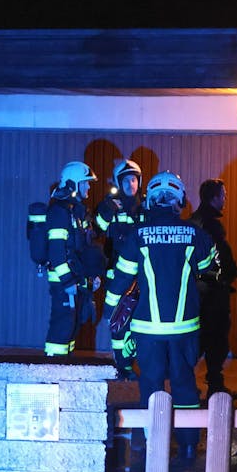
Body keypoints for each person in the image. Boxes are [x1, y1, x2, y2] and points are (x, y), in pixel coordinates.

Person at [105, 172, 217, 461]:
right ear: (179, 199)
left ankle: (149, 444)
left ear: (151, 200)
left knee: (151, 384)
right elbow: (211, 271)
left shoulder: (136, 236)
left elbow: (119, 285)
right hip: (184, 328)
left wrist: (112, 322)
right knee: (183, 383)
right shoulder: (196, 234)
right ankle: (189, 444)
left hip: (147, 330)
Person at [43, 162, 103, 357]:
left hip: (75, 280)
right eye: (85, 183)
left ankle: (65, 368)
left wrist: (92, 275)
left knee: (73, 326)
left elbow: (85, 248)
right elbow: (56, 250)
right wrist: (67, 281)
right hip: (63, 282)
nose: (88, 187)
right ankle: (52, 372)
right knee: (63, 326)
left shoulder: (75, 212)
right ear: (73, 184)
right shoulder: (59, 212)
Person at [96, 158, 145, 379]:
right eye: (126, 180)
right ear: (118, 181)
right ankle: (122, 364)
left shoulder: (146, 206)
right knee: (119, 321)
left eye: (134, 180)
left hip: (143, 276)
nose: (131, 185)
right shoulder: (111, 206)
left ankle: (134, 361)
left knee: (141, 320)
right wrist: (107, 210)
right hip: (118, 274)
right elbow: (97, 228)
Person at [190, 178, 237, 397]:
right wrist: (230, 274)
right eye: (223, 195)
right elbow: (220, 257)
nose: (225, 199)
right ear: (214, 197)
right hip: (213, 291)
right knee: (216, 340)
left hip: (196, 291)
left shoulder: (193, 221)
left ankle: (189, 383)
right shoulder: (211, 225)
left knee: (199, 339)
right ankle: (215, 388)